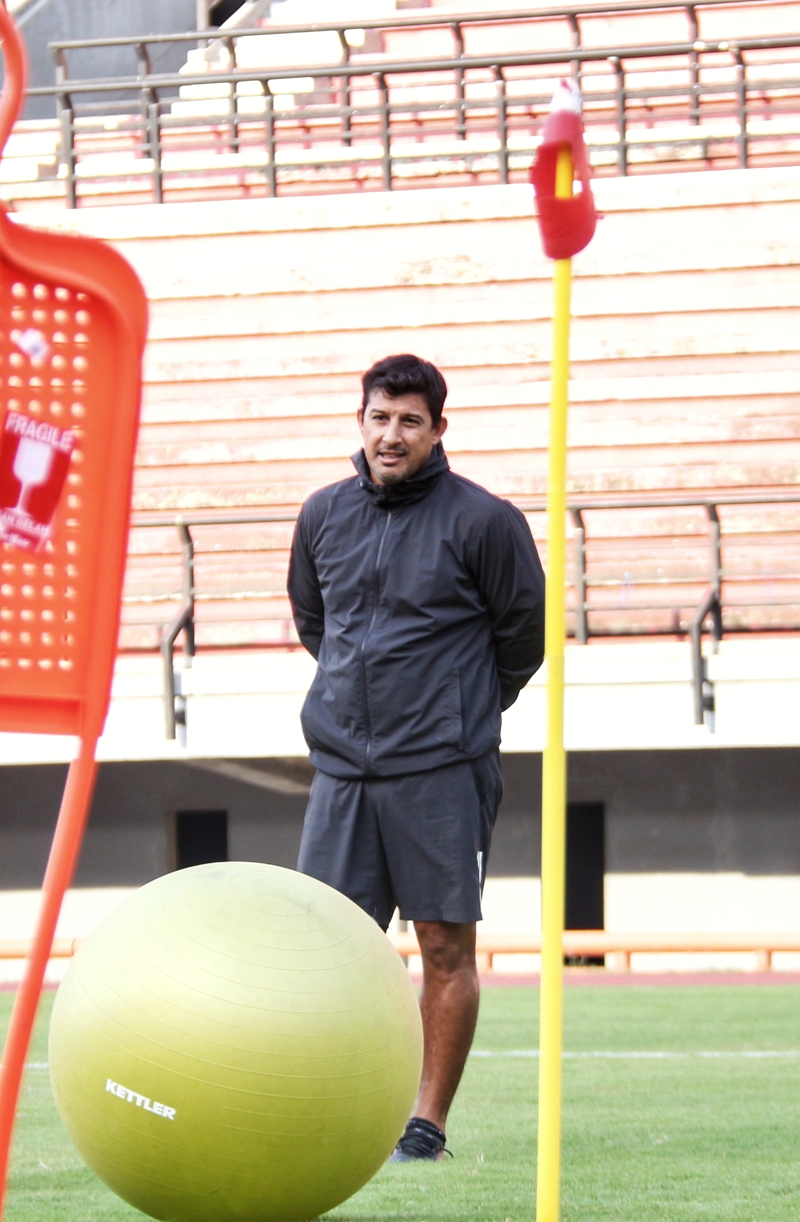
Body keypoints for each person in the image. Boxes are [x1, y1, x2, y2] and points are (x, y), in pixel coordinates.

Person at [287, 353, 545, 1163]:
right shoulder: (322, 515)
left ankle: (425, 1126)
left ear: (438, 430)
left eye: (409, 421)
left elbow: (523, 640)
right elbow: (314, 624)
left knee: (443, 947)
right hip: (343, 774)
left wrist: (456, 710)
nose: (391, 435)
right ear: (358, 421)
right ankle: (341, 1112)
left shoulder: (484, 521)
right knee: (332, 952)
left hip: (442, 770)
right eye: (379, 417)